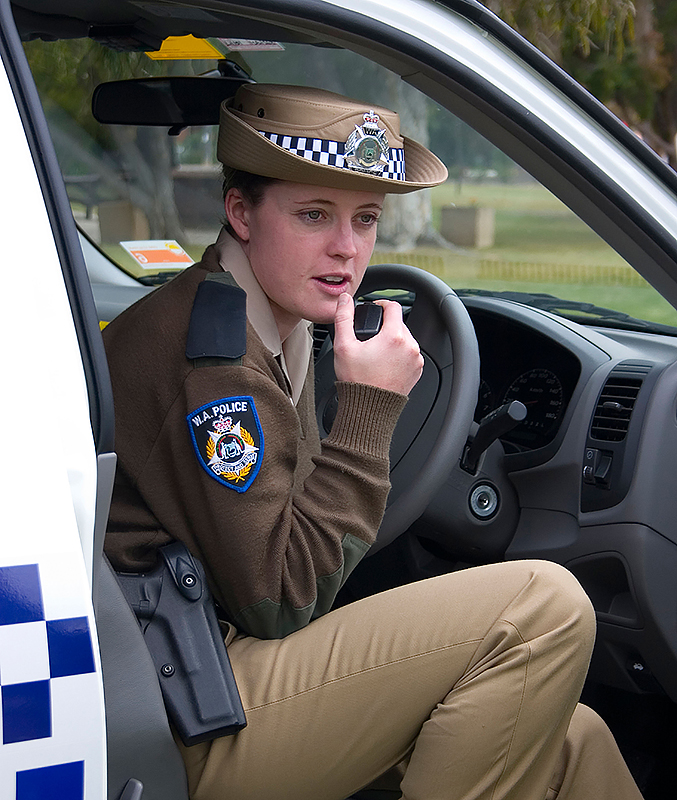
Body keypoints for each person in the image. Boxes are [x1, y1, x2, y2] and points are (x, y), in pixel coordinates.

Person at [103, 83, 644, 800]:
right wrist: (367, 410)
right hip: (184, 713)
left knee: (574, 739)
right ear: (240, 213)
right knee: (543, 604)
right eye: (312, 215)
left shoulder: (257, 317)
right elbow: (281, 598)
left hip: (196, 662)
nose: (346, 248)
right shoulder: (213, 364)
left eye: (365, 219)